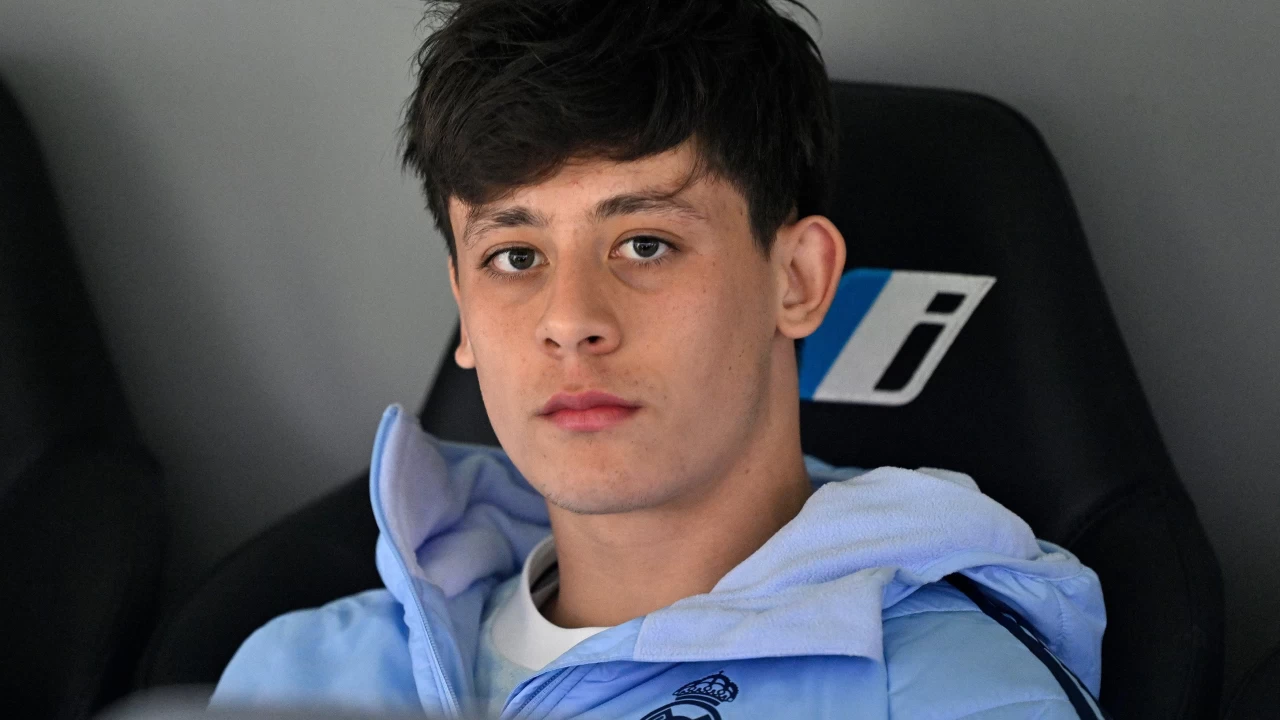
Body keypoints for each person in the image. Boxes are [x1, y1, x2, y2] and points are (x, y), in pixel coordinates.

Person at [211, 1, 1107, 718]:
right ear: (465, 319)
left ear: (797, 279)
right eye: (515, 256)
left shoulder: (950, 692)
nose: (571, 321)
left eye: (645, 244)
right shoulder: (293, 676)